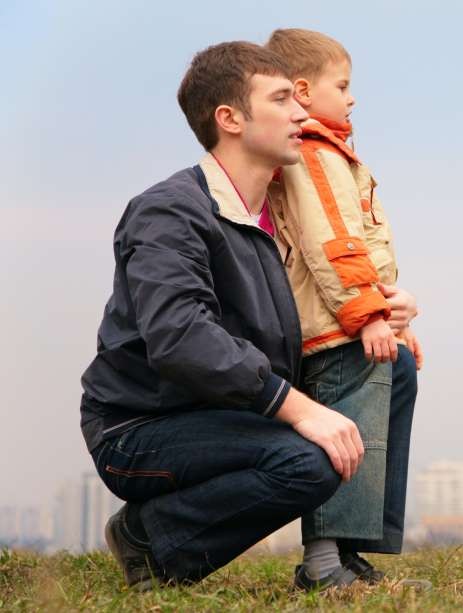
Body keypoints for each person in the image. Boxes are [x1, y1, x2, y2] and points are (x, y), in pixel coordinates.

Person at [78, 40, 419, 589]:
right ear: (230, 118)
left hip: (228, 413)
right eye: (283, 99)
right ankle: (150, 538)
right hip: (141, 429)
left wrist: (383, 305)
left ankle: (343, 560)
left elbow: (316, 313)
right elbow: (180, 335)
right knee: (310, 461)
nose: (303, 113)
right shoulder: (170, 211)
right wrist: (299, 409)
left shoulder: (275, 219)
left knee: (390, 367)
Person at [263, 28, 423, 589]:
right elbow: (332, 241)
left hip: (350, 319)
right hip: (331, 328)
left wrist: (391, 319)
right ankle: (324, 564)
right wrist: (368, 314)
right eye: (344, 85)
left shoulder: (332, 151)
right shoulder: (314, 150)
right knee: (349, 430)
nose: (353, 98)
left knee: (393, 384)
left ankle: (352, 556)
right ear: (303, 91)